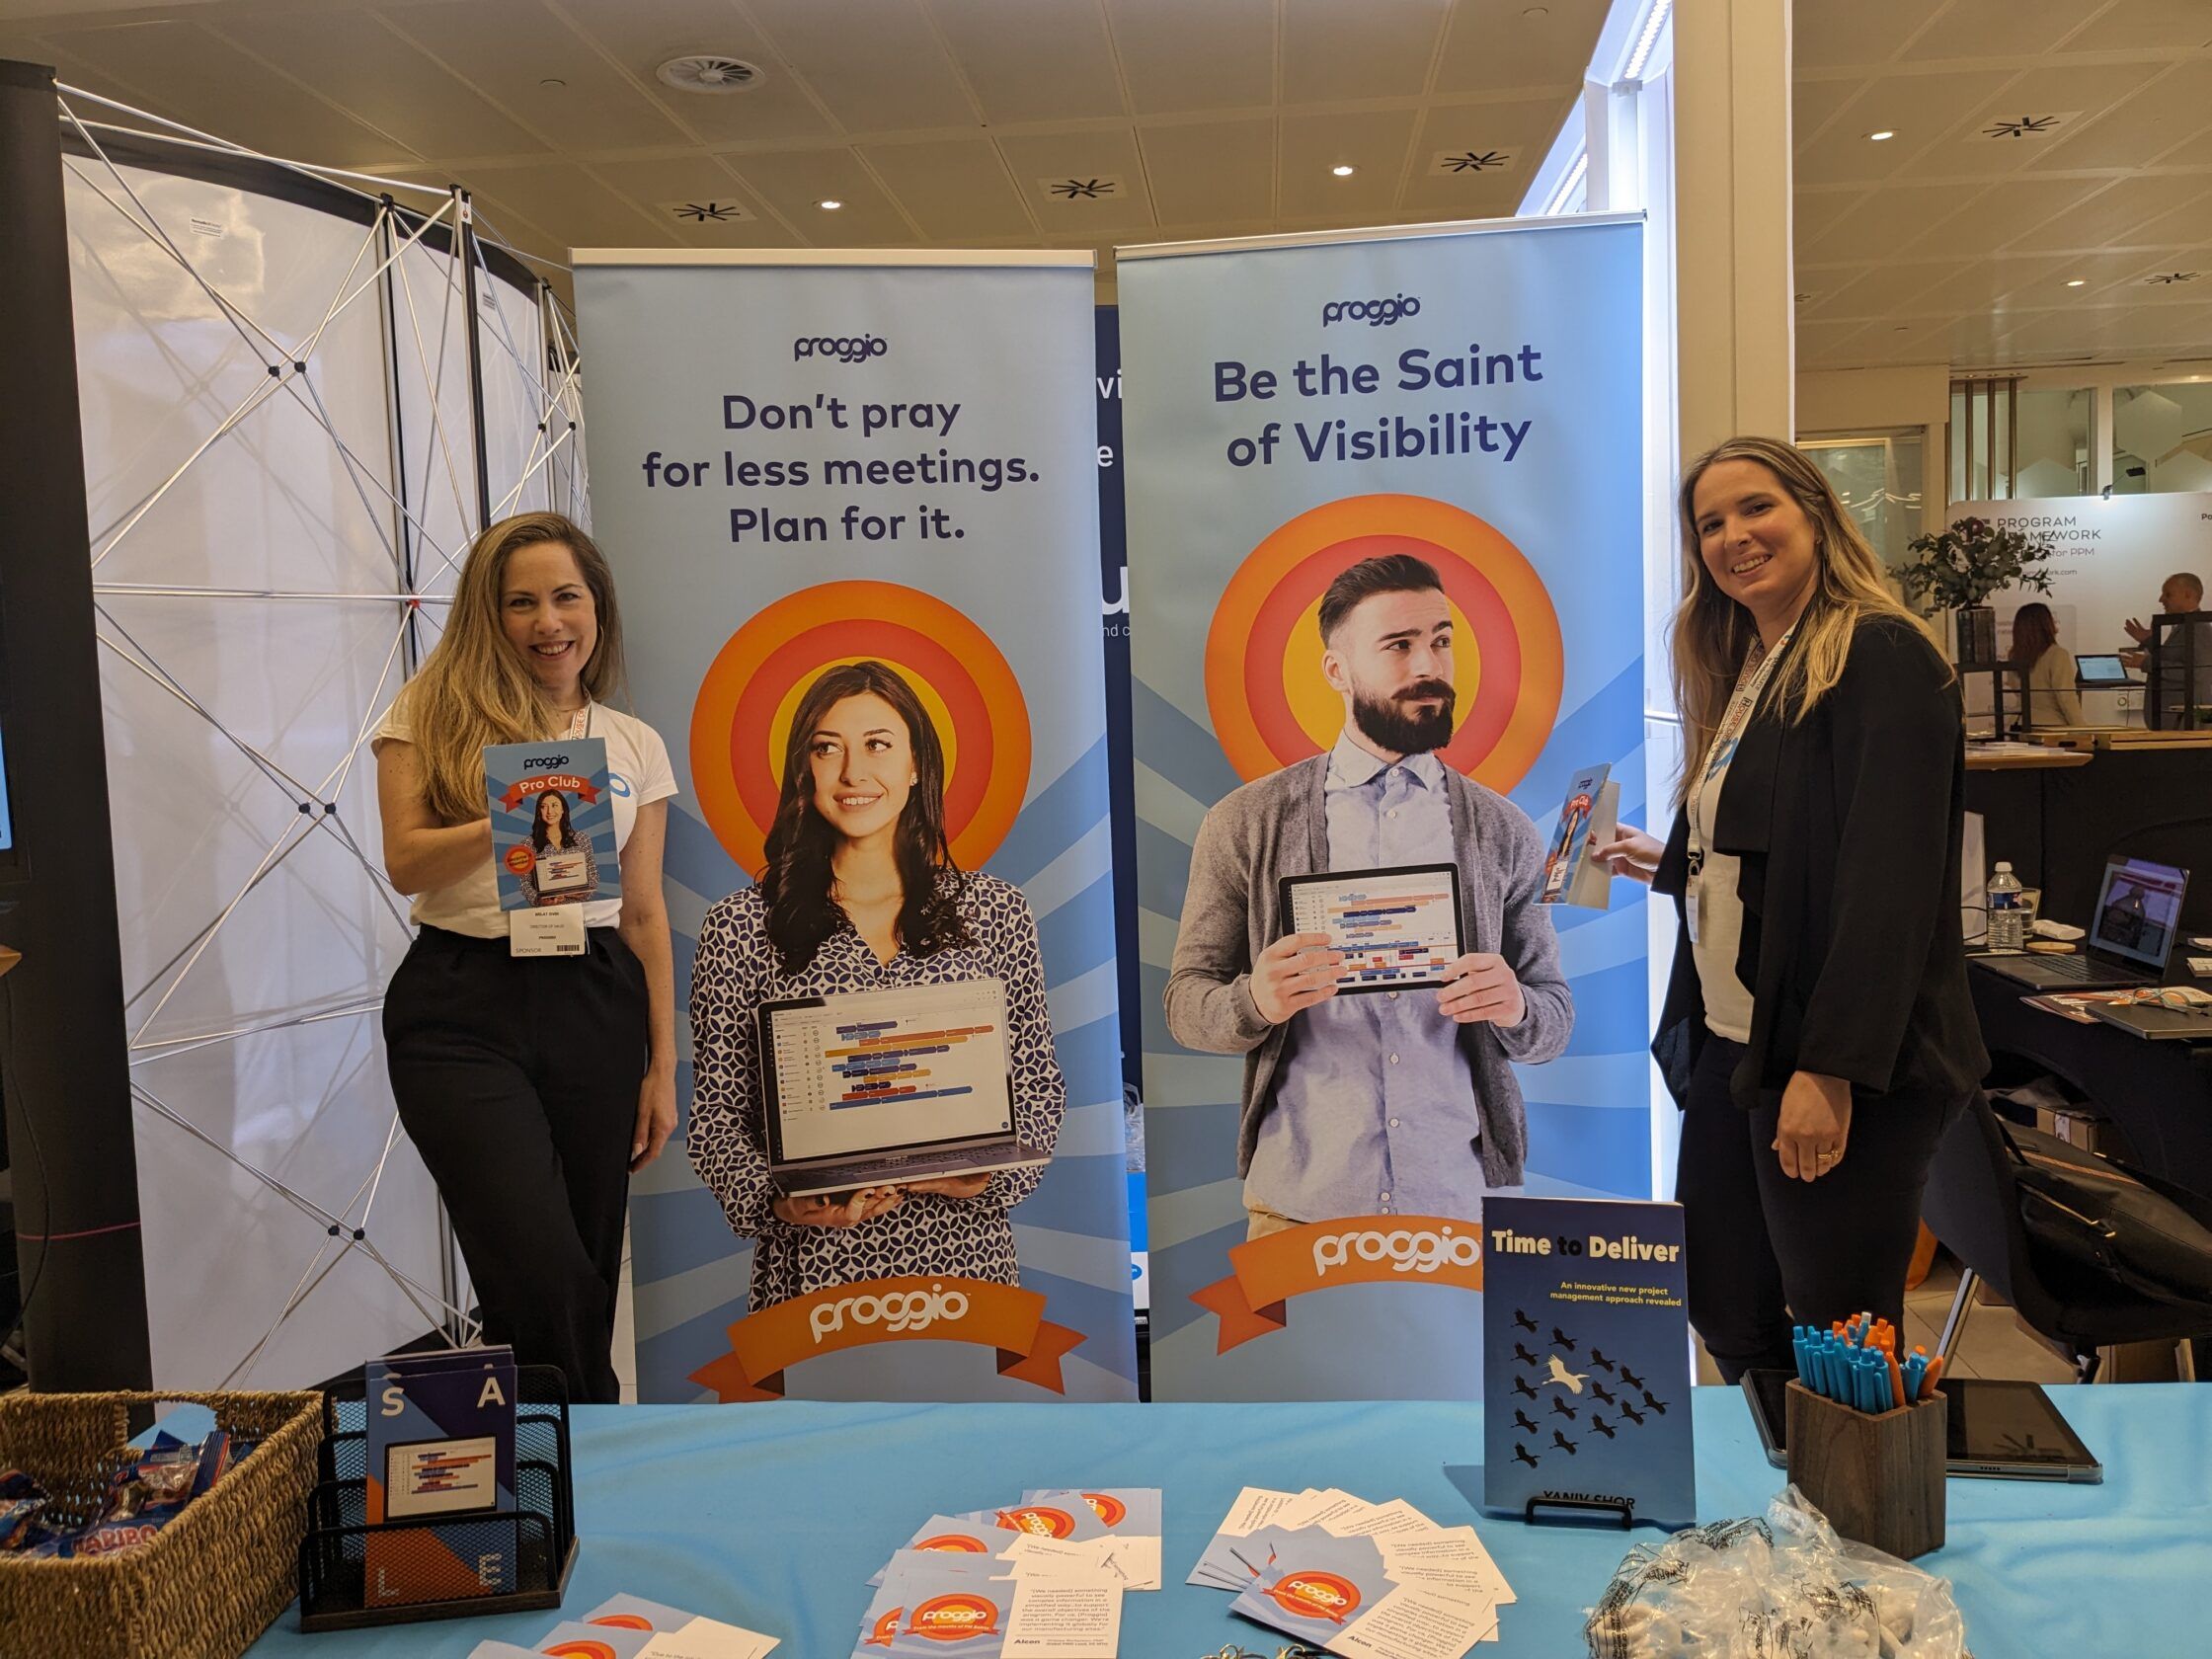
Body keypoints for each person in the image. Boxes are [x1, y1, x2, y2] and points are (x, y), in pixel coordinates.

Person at [1593, 435, 1988, 1382]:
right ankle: (1792, 1496)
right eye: (1711, 524)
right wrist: (1668, 863)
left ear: (1816, 511)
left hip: (1837, 1060)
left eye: (1756, 508)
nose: (1735, 536)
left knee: (1838, 1330)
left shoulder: (1877, 654)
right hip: (1741, 1047)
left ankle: (1854, 1522)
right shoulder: (1760, 664)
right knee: (1725, 1298)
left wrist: (1829, 1072)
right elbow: (1776, 856)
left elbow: (1883, 886)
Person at [1165, 553, 1572, 1239]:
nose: (1429, 666)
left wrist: (1514, 1005)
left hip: (1456, 1204)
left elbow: (1552, 1017)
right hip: (1299, 1204)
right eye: (1399, 645)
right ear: (1336, 670)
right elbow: (1185, 1004)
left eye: (1441, 641)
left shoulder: (1502, 831)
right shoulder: (1245, 823)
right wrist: (1255, 1001)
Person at [375, 511, 677, 1403]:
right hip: (461, 1005)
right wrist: (511, 815)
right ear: (488, 615)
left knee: (587, 1257)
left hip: (595, 997)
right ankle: (590, 1443)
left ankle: (562, 1473)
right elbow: (404, 863)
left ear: (596, 608)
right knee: (533, 1266)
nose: (549, 622)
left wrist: (663, 1066)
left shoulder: (632, 743)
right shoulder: (426, 714)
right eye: (521, 603)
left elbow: (647, 913)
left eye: (566, 597)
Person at [687, 661, 1066, 1307]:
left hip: (965, 1264)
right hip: (815, 1277)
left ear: (916, 764)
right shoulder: (740, 927)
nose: (853, 773)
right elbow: (717, 1118)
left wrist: (984, 1176)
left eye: (877, 746)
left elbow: (1038, 1089)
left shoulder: (997, 912)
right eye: (827, 748)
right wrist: (780, 1201)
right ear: (803, 769)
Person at [2007, 601, 2082, 729]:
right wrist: (2083, 729)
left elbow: (2016, 689)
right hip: (2051, 726)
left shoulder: (2014, 656)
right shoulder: (2057, 654)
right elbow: (2066, 698)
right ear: (2047, 624)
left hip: (2018, 723)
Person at [518, 787, 599, 905]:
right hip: (546, 915)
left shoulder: (582, 838)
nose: (549, 811)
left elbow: (593, 876)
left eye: (554, 805)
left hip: (580, 911)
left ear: (563, 809)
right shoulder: (527, 844)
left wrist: (581, 892)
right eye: (543, 806)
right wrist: (540, 901)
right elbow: (525, 882)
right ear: (539, 812)